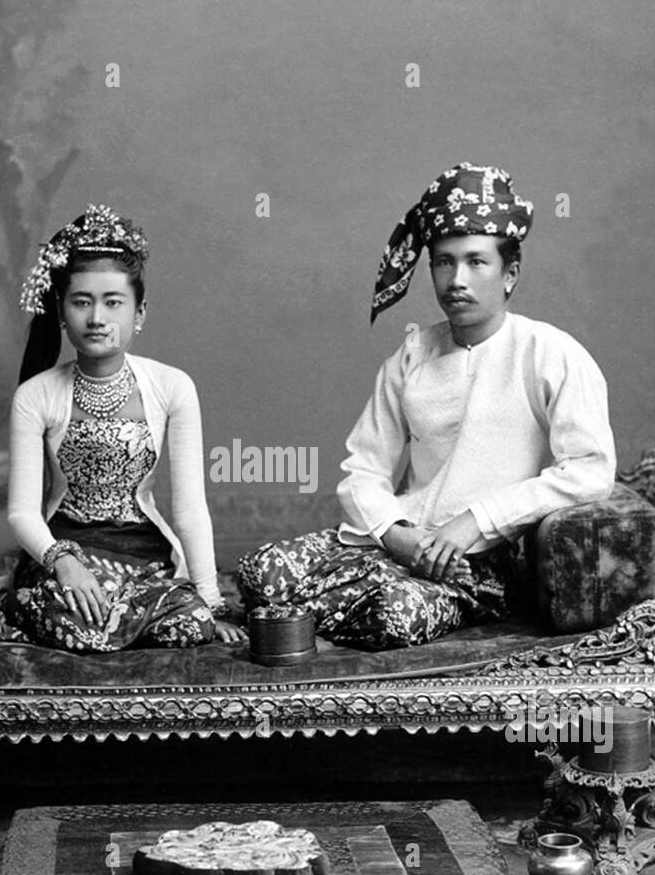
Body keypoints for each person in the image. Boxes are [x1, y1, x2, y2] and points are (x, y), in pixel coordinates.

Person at [238, 163, 616, 649]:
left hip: (478, 564)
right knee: (259, 573)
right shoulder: (414, 353)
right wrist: (397, 534)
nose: (457, 279)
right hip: (400, 547)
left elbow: (590, 469)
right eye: (443, 262)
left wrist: (475, 522)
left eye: (476, 262)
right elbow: (362, 469)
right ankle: (343, 604)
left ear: (510, 274)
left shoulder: (550, 353)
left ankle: (320, 616)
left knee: (395, 613)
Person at [5, 204, 245, 652]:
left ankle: (131, 615)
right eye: (82, 302)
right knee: (78, 619)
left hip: (143, 557)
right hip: (67, 556)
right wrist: (62, 561)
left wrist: (210, 601)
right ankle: (109, 617)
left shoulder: (172, 386)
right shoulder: (36, 395)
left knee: (192, 624)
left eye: (113, 302)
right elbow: (21, 513)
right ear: (61, 311)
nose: (97, 318)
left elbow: (191, 508)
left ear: (139, 312)